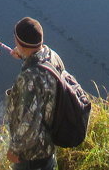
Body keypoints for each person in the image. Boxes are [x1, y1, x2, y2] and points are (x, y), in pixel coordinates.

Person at [5, 16, 65, 170]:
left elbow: (29, 122)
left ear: (19, 42)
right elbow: (42, 76)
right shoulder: (52, 55)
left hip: (32, 156)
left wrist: (14, 150)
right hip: (50, 145)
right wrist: (25, 56)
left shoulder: (29, 79)